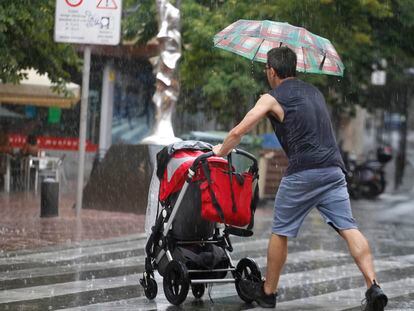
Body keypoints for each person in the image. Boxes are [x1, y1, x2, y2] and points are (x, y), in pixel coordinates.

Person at [212, 47, 388, 310]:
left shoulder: (271, 98)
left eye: (265, 69)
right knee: (349, 228)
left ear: (272, 71)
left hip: (303, 172)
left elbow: (239, 130)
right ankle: (373, 286)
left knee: (280, 231)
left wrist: (219, 151)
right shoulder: (314, 92)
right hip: (333, 170)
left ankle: (268, 292)